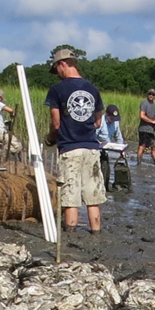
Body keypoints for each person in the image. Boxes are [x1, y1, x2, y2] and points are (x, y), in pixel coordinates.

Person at [44, 48, 106, 233]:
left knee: (70, 197)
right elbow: (98, 121)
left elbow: (56, 124)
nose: (57, 75)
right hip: (91, 148)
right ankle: (96, 233)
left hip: (70, 149)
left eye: (57, 70)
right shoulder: (92, 88)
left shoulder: (57, 90)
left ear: (62, 64)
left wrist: (50, 139)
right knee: (93, 196)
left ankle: (70, 235)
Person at [136, 88, 155, 165]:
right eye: (150, 94)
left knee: (154, 147)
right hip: (144, 129)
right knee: (142, 146)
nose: (151, 96)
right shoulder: (144, 103)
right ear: (147, 94)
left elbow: (151, 116)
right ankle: (139, 163)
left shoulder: (153, 104)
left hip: (151, 130)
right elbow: (142, 116)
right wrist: (152, 121)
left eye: (153, 94)